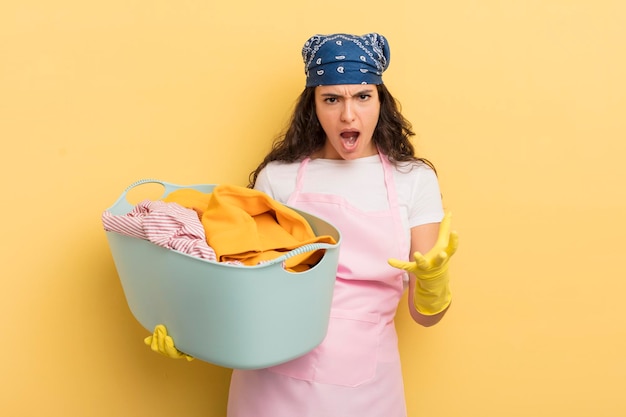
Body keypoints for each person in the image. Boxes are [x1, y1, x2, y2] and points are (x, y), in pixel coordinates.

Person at [146, 32, 458, 417]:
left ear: (381, 101)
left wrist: (432, 283)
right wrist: (195, 332)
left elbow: (425, 316)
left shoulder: (413, 179)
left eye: (363, 96)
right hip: (270, 379)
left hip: (365, 384)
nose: (348, 115)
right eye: (332, 99)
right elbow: (247, 288)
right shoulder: (280, 178)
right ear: (313, 106)